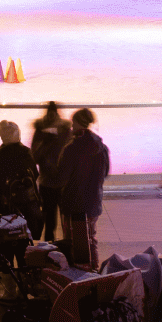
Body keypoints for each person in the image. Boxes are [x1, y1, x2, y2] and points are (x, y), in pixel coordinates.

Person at [0, 120, 42, 271]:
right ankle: (23, 272)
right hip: (25, 208)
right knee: (23, 244)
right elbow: (35, 175)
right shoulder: (27, 153)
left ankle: (7, 275)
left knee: (6, 245)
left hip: (4, 209)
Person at [56, 107, 110, 271]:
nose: (71, 127)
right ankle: (94, 269)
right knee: (91, 237)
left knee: (73, 240)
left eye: (73, 123)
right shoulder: (101, 147)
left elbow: (62, 176)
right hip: (93, 201)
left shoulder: (71, 149)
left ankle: (78, 272)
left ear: (79, 124)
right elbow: (105, 173)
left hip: (73, 203)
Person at [30, 102, 71, 244]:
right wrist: (46, 143)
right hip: (48, 182)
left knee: (67, 221)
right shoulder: (41, 130)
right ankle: (49, 248)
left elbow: (72, 154)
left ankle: (67, 248)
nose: (52, 116)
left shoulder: (65, 131)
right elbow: (34, 157)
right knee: (50, 221)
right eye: (50, 113)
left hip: (62, 182)